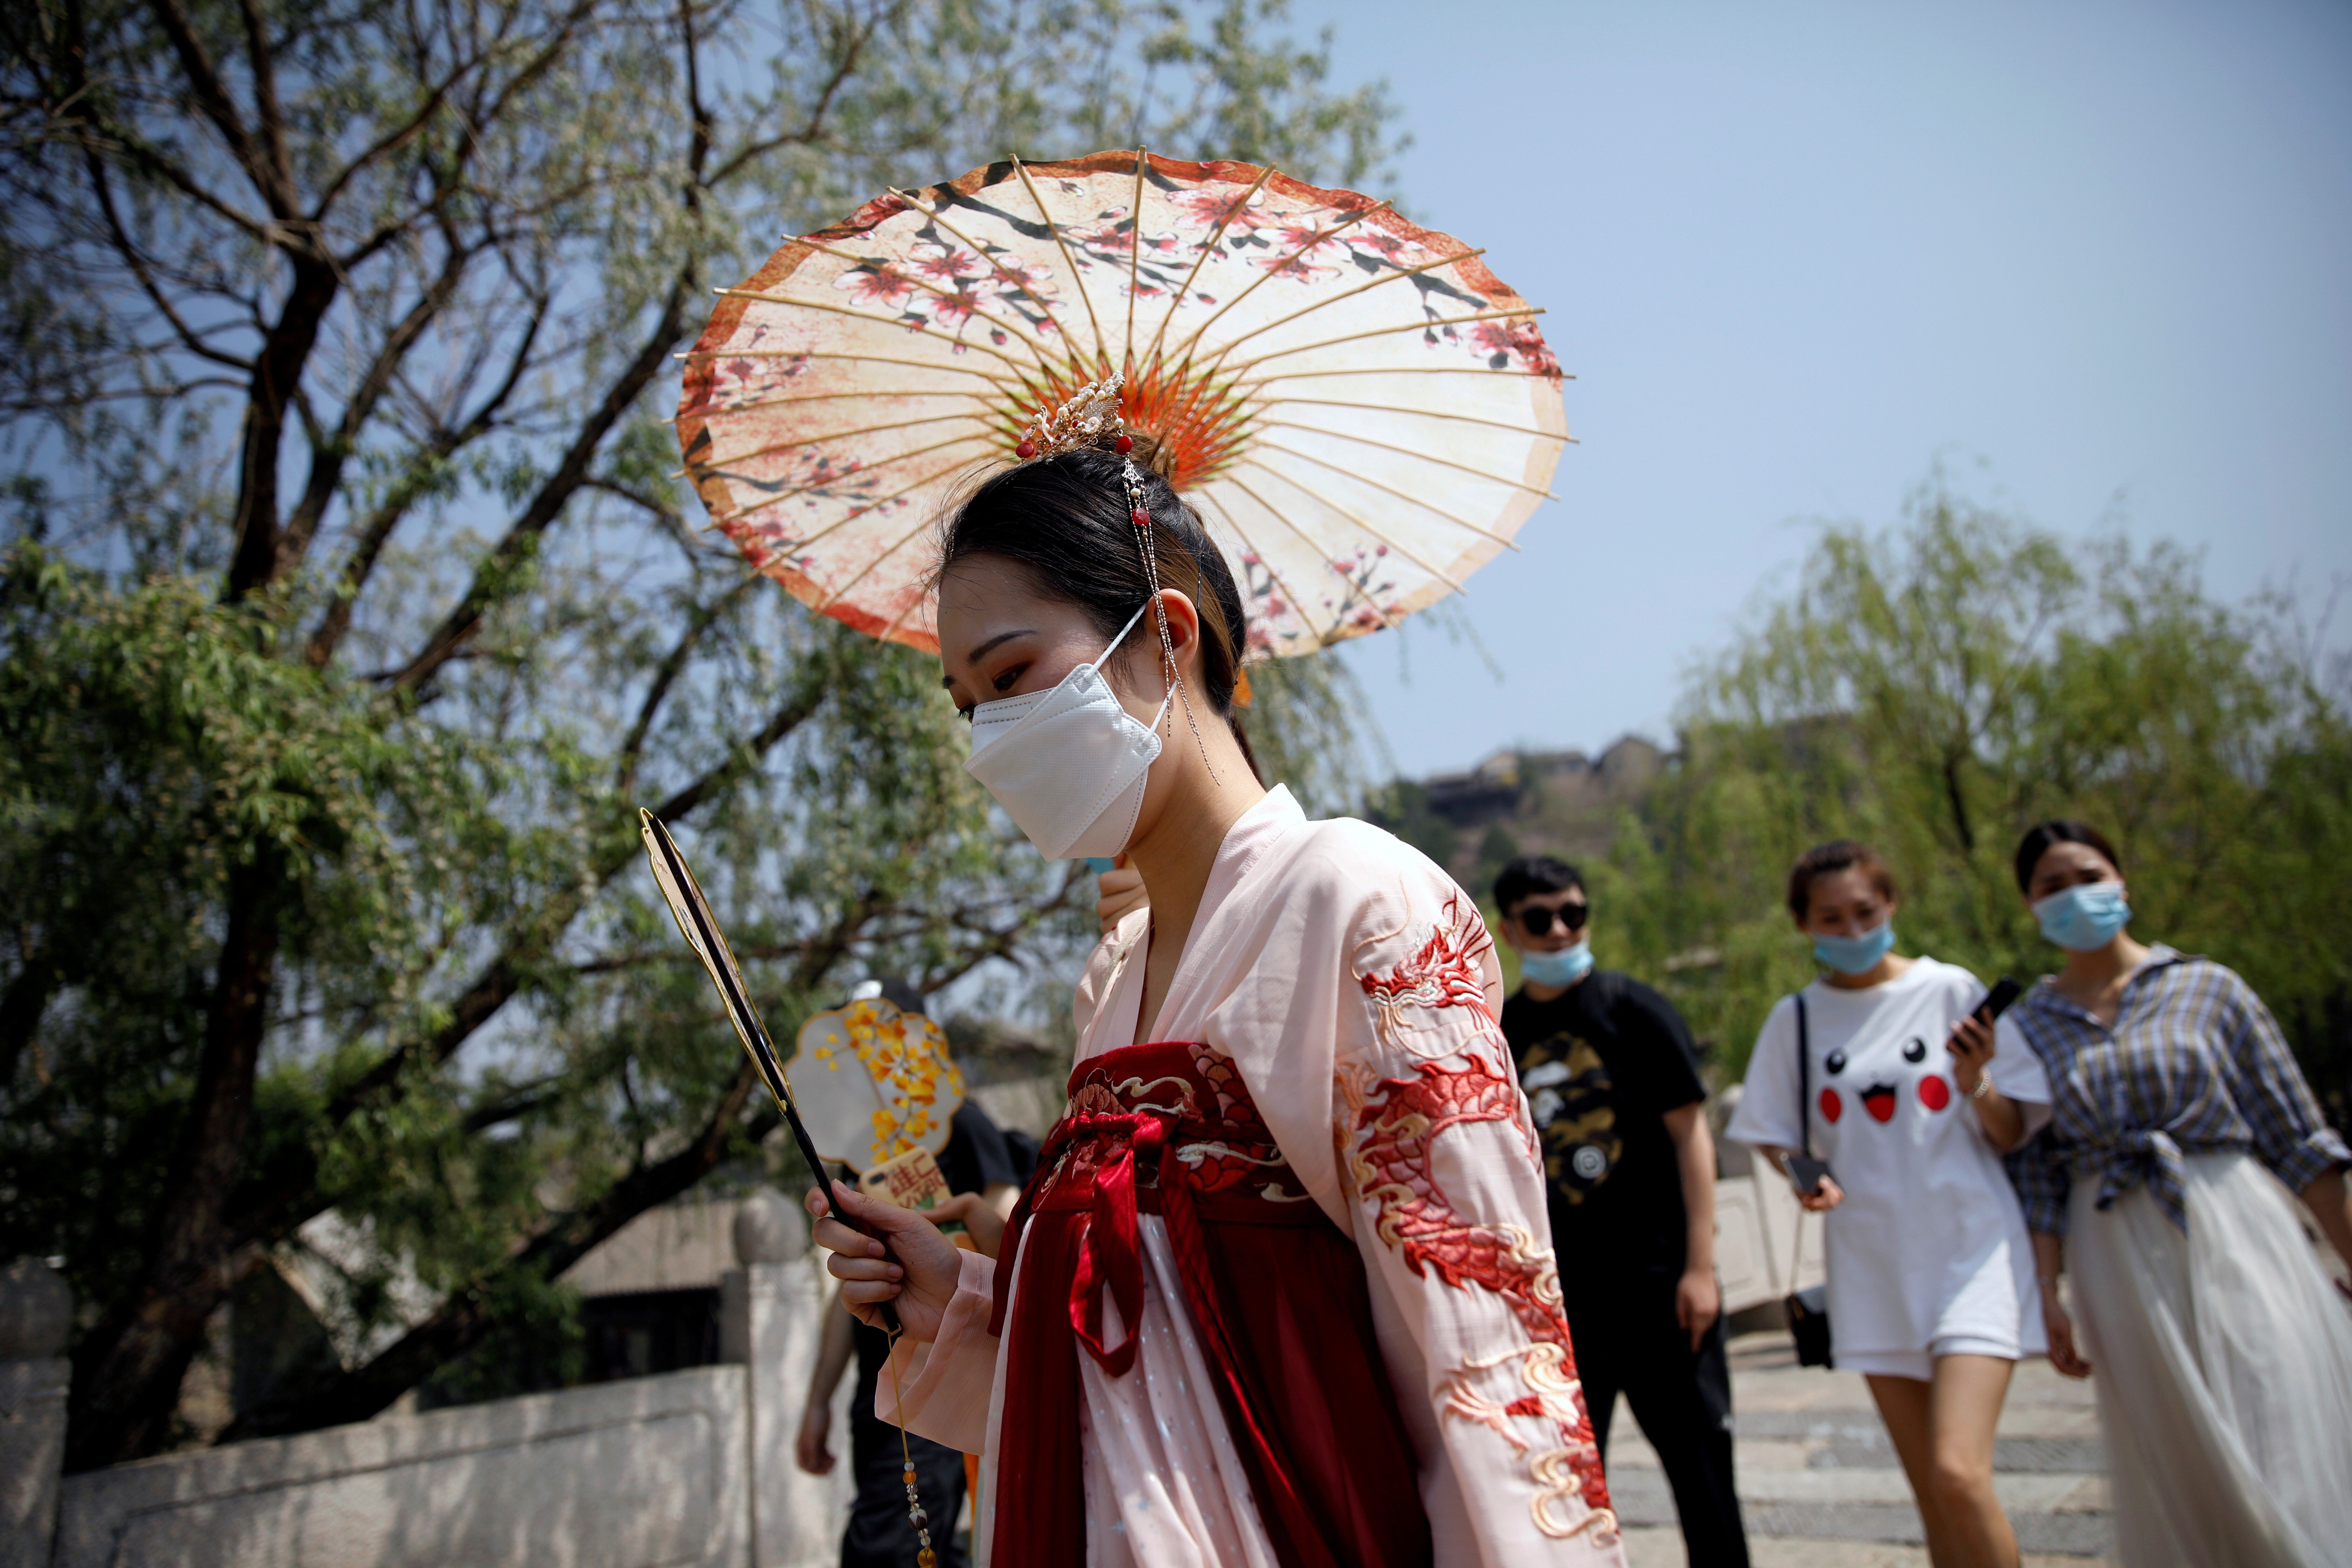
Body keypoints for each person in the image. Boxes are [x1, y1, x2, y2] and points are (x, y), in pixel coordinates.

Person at [805, 381, 1626, 1567]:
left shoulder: (1363, 904)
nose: (989, 741)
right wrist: (969, 1302)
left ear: (1169, 638)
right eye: (967, 706)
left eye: (1013, 673)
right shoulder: (1115, 984)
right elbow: (1138, 1385)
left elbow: (1483, 1341)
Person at [1998, 819, 2352, 1568]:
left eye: (2089, 875)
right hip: (2113, 1243)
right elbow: (2036, 1171)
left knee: (2275, 1417)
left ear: (2122, 880)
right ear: (2029, 905)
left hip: (2231, 1215)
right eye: (2052, 886)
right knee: (2179, 1447)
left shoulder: (2209, 985)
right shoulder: (2026, 1026)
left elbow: (2297, 1133)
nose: (2075, 895)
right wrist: (2046, 1290)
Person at [1726, 840, 2050, 1568]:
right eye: (1830, 917)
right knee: (1932, 1495)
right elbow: (1776, 1134)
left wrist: (1975, 1078)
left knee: (1960, 1474)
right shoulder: (1798, 1018)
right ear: (1804, 924)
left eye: (1865, 912)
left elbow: (2007, 1132)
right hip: (1871, 1260)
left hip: (1970, 1248)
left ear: (1892, 905)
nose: (1850, 929)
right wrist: (1808, 1174)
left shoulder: (1949, 990)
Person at [1491, 855, 1750, 1567]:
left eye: (1573, 912)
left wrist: (1702, 1265)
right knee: (1572, 1481)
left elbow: (1693, 1135)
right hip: (1565, 1300)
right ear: (1510, 928)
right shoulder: (1500, 1030)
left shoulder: (1637, 1008)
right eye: (1541, 918)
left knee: (1703, 1475)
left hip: (1663, 1283)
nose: (1560, 929)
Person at [796, 1092, 1026, 1568]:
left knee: (888, 1551)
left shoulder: (961, 1120)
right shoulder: (864, 1150)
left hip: (942, 1380)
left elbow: (1011, 1244)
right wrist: (818, 1401)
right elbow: (847, 1287)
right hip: (878, 1398)